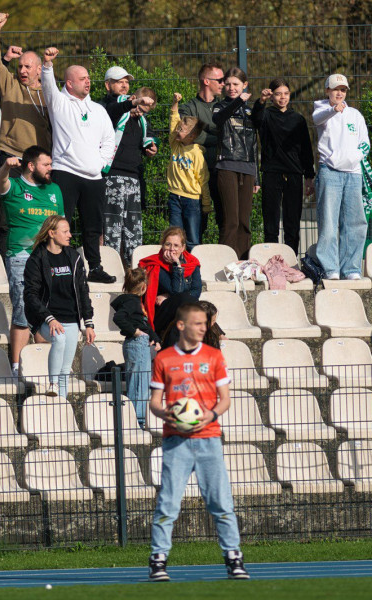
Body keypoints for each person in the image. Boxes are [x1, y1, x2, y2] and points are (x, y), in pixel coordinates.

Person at [148, 301, 249, 582]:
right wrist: (166, 413)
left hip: (209, 439)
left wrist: (210, 415)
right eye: (197, 323)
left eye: (205, 323)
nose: (203, 328)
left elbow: (225, 399)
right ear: (181, 325)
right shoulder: (164, 359)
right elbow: (155, 402)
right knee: (168, 503)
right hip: (176, 442)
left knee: (221, 502)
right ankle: (158, 560)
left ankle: (233, 558)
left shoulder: (215, 357)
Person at [40, 46, 117, 283]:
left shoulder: (98, 110)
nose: (88, 82)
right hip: (66, 172)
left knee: (93, 226)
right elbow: (48, 87)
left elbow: (109, 140)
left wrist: (101, 163)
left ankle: (94, 267)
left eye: (89, 78)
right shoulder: (59, 103)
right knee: (60, 222)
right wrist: (47, 65)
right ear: (70, 83)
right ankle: (56, 265)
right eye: (82, 78)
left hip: (93, 177)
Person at [0, 146, 64, 374]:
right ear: (31, 166)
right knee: (23, 311)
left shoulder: (54, 189)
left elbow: (62, 227)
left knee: (49, 311)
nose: (50, 168)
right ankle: (17, 367)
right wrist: (6, 166)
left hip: (50, 258)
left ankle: (44, 366)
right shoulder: (15, 186)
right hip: (21, 257)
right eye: (46, 164)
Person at [0, 13, 51, 255]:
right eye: (20, 66)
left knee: (42, 217)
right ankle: (5, 266)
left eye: (27, 67)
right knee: (6, 215)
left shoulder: (49, 92)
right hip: (12, 157)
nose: (22, 70)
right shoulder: (10, 84)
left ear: (38, 70)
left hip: (41, 160)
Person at [23, 215, 95, 397]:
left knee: (66, 370)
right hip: (46, 319)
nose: (70, 235)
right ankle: (52, 384)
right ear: (51, 233)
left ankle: (61, 408)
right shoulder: (37, 259)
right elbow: (31, 295)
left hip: (70, 319)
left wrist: (88, 323)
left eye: (69, 231)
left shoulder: (74, 257)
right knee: (59, 339)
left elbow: (83, 290)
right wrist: (49, 318)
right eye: (65, 231)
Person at [313, 73, 370, 280]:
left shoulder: (355, 114)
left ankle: (352, 268)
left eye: (343, 90)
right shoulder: (321, 110)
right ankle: (330, 269)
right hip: (330, 172)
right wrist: (332, 110)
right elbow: (317, 119)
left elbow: (365, 143)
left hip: (353, 174)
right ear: (327, 90)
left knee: (355, 222)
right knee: (328, 222)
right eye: (335, 89)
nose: (339, 93)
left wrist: (352, 159)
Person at [255, 79, 315, 253]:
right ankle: (271, 262)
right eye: (278, 93)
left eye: (286, 93)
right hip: (271, 173)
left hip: (294, 174)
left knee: (292, 223)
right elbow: (255, 120)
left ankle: (290, 262)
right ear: (272, 96)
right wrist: (261, 102)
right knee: (271, 223)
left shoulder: (298, 119)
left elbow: (306, 150)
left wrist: (309, 176)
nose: (282, 97)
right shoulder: (266, 115)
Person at [103, 87, 158, 266]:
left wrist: (151, 146)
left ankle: (133, 267)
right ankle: (112, 265)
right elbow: (112, 111)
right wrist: (131, 105)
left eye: (144, 111)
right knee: (113, 226)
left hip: (133, 177)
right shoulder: (118, 111)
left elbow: (149, 137)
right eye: (139, 107)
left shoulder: (141, 121)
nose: (139, 113)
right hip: (114, 175)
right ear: (134, 100)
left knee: (133, 227)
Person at [212, 67, 260, 259]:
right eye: (228, 84)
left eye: (236, 84)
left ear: (244, 85)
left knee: (244, 221)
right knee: (230, 220)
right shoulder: (219, 106)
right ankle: (225, 261)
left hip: (248, 169)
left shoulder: (250, 111)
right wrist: (239, 101)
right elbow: (218, 119)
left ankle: (242, 262)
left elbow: (255, 144)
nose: (231, 88)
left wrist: (256, 177)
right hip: (226, 167)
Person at [180, 63, 225, 234]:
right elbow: (189, 135)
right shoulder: (188, 107)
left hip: (221, 170)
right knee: (197, 225)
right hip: (196, 173)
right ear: (206, 81)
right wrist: (218, 137)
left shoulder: (224, 107)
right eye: (219, 80)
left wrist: (202, 128)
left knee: (225, 220)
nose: (223, 84)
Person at [112, 268, 159, 428]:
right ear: (144, 286)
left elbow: (143, 323)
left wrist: (154, 338)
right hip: (137, 344)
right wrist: (135, 332)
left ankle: (136, 419)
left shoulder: (132, 302)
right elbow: (119, 317)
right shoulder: (132, 302)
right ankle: (137, 421)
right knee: (140, 384)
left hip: (137, 343)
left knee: (138, 381)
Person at [138, 227, 202, 345]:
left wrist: (168, 296)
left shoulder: (192, 263)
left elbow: (197, 291)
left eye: (176, 245)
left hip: (183, 312)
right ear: (162, 245)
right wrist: (177, 266)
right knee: (188, 301)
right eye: (168, 244)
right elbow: (177, 291)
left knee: (198, 306)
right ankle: (218, 335)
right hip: (161, 315)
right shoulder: (155, 264)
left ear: (183, 247)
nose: (172, 249)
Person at [167, 93, 211, 250]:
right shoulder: (175, 145)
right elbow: (173, 122)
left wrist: (206, 204)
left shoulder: (197, 154)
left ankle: (193, 267)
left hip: (192, 200)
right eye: (178, 128)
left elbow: (203, 180)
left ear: (192, 135)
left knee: (192, 237)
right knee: (175, 234)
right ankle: (177, 266)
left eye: (182, 129)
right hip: (174, 197)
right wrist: (175, 104)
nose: (177, 130)